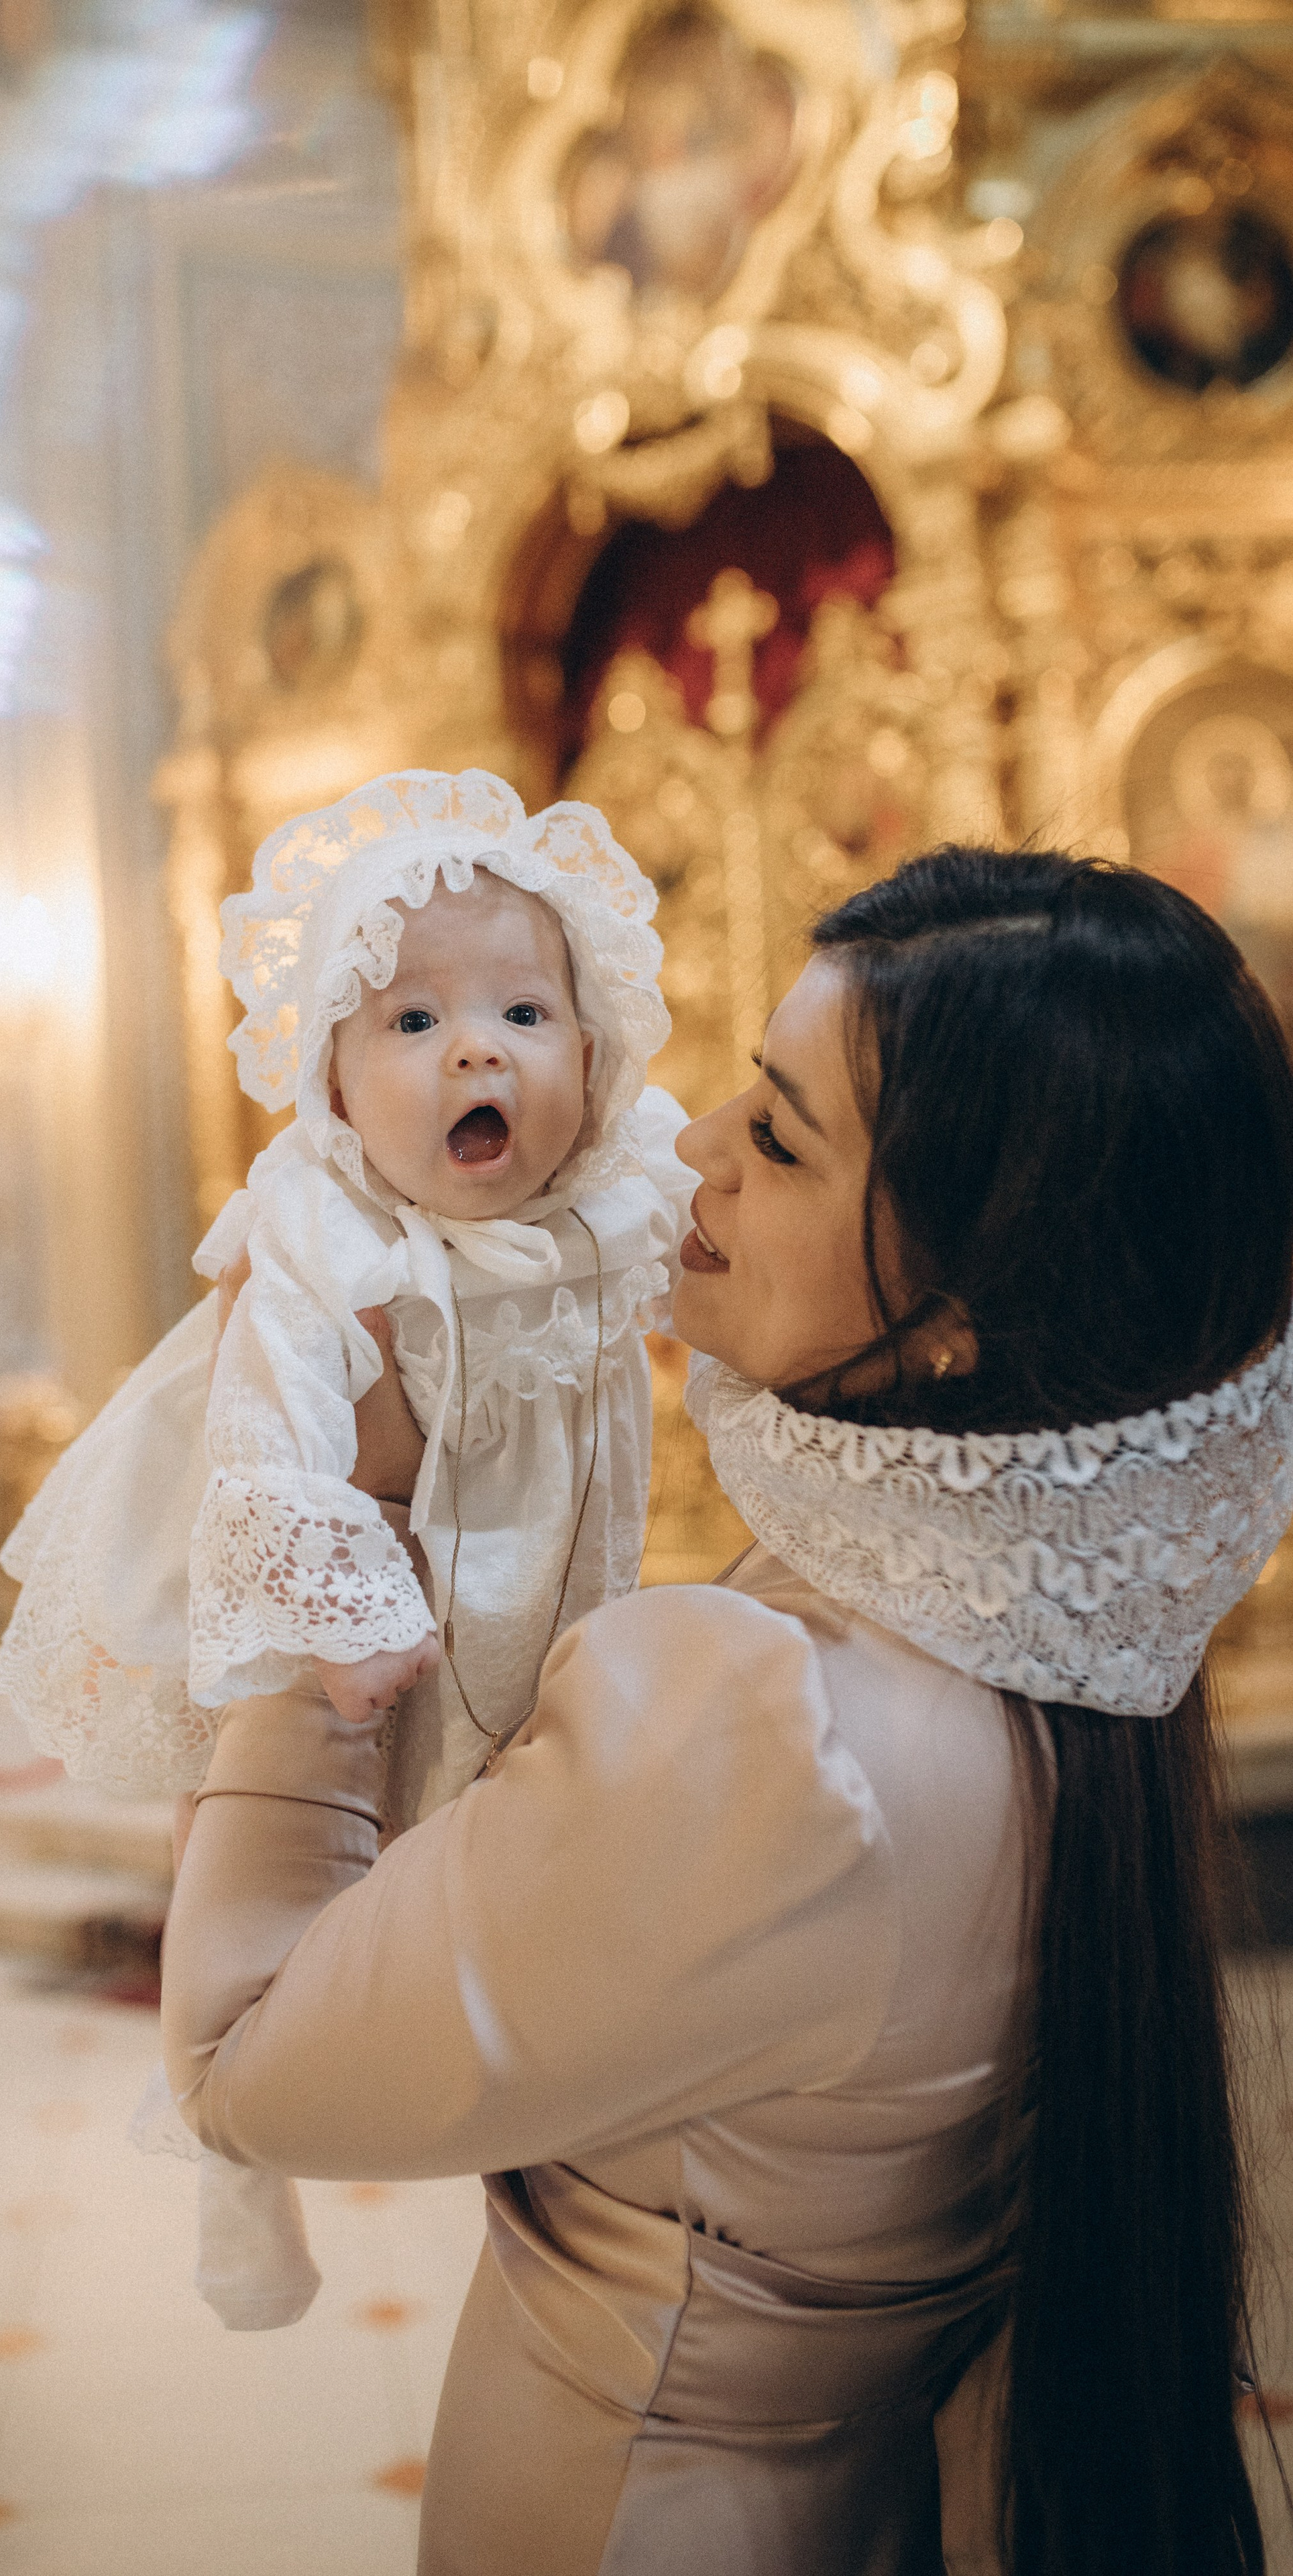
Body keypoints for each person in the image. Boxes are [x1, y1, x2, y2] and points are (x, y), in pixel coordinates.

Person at [160, 845, 1293, 2575]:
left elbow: (245, 2064)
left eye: (775, 1134)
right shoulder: (1075, 1648)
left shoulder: (759, 1733)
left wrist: (346, 1534)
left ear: (958, 1317)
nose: (689, 1147)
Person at [0, 767, 692, 2328]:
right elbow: (269, 1433)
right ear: (329, 1079)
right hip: (276, 1577)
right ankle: (240, 2185)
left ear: (596, 1050)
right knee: (252, 1854)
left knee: (478, 1861)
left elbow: (699, 1324)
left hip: (513, 1586)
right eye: (411, 1022)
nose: (474, 1049)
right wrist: (338, 1604)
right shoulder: (322, 1230)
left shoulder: (617, 1206)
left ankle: (510, 2134)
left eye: (525, 1012)